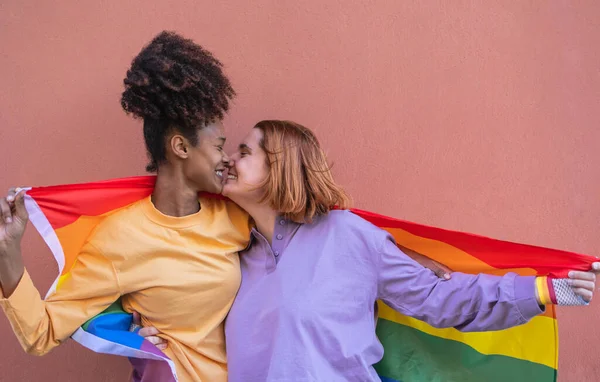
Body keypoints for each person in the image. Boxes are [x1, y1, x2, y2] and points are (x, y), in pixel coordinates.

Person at [0, 32, 449, 382]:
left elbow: (316, 229)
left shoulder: (235, 217)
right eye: (217, 146)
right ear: (179, 147)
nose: (226, 159)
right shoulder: (119, 239)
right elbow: (41, 334)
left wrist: (403, 255)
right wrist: (9, 256)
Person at [142, 120, 600, 382]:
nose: (229, 160)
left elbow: (440, 299)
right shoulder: (231, 252)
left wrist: (543, 289)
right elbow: (193, 326)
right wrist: (157, 335)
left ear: (281, 165)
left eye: (245, 151)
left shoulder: (348, 236)